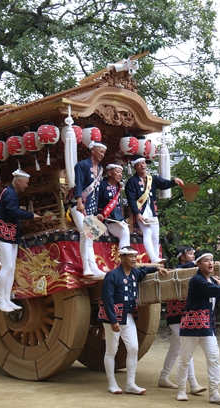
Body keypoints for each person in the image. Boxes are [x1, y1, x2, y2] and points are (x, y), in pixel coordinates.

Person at [176, 249, 220, 403]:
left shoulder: (211, 281)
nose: (210, 263)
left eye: (211, 260)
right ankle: (181, 389)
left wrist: (219, 287)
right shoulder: (197, 280)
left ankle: (214, 393)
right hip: (191, 326)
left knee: (214, 358)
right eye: (206, 260)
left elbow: (214, 298)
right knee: (185, 359)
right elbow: (213, 291)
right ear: (198, 264)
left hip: (207, 326)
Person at [98, 245, 166, 394]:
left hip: (128, 317)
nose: (134, 259)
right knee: (111, 350)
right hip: (113, 318)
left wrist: (157, 268)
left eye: (135, 256)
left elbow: (144, 270)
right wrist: (113, 320)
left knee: (134, 348)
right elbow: (107, 299)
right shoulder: (112, 275)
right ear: (121, 258)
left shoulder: (135, 273)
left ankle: (130, 384)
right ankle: (112, 383)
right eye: (130, 256)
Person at [157, 246, 206, 394]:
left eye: (194, 254)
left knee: (176, 349)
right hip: (176, 315)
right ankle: (193, 383)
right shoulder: (178, 271)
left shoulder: (194, 271)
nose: (193, 256)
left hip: (185, 314)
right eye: (190, 254)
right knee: (186, 347)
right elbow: (182, 269)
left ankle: (164, 377)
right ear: (182, 257)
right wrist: (197, 263)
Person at [0, 169, 37, 312]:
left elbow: (7, 208)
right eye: (25, 183)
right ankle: (0, 300)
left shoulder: (8, 192)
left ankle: (7, 299)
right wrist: (30, 215)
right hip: (2, 236)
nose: (26, 186)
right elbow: (13, 211)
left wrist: (18, 209)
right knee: (7, 267)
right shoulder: (10, 193)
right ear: (18, 181)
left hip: (9, 235)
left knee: (11, 268)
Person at [125, 157, 184, 264]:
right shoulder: (131, 182)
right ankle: (153, 257)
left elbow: (164, 184)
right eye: (139, 164)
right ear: (135, 167)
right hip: (141, 211)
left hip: (152, 210)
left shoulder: (151, 178)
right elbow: (131, 200)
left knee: (155, 236)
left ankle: (156, 259)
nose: (143, 166)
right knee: (147, 232)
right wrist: (137, 213)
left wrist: (173, 182)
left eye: (144, 163)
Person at [71, 141, 107, 278]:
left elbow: (96, 192)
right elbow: (78, 184)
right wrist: (79, 201)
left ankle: (94, 267)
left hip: (91, 207)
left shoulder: (101, 169)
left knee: (90, 237)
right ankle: (86, 267)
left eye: (104, 152)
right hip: (79, 204)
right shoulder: (82, 165)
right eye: (101, 151)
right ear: (92, 150)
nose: (103, 154)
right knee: (84, 233)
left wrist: (97, 211)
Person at [97, 163, 130, 250]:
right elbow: (96, 200)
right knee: (124, 233)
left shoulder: (119, 186)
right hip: (106, 219)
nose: (120, 175)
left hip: (117, 218)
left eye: (121, 173)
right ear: (109, 173)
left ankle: (124, 254)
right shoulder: (102, 185)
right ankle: (124, 254)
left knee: (125, 232)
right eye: (117, 172)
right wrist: (97, 213)